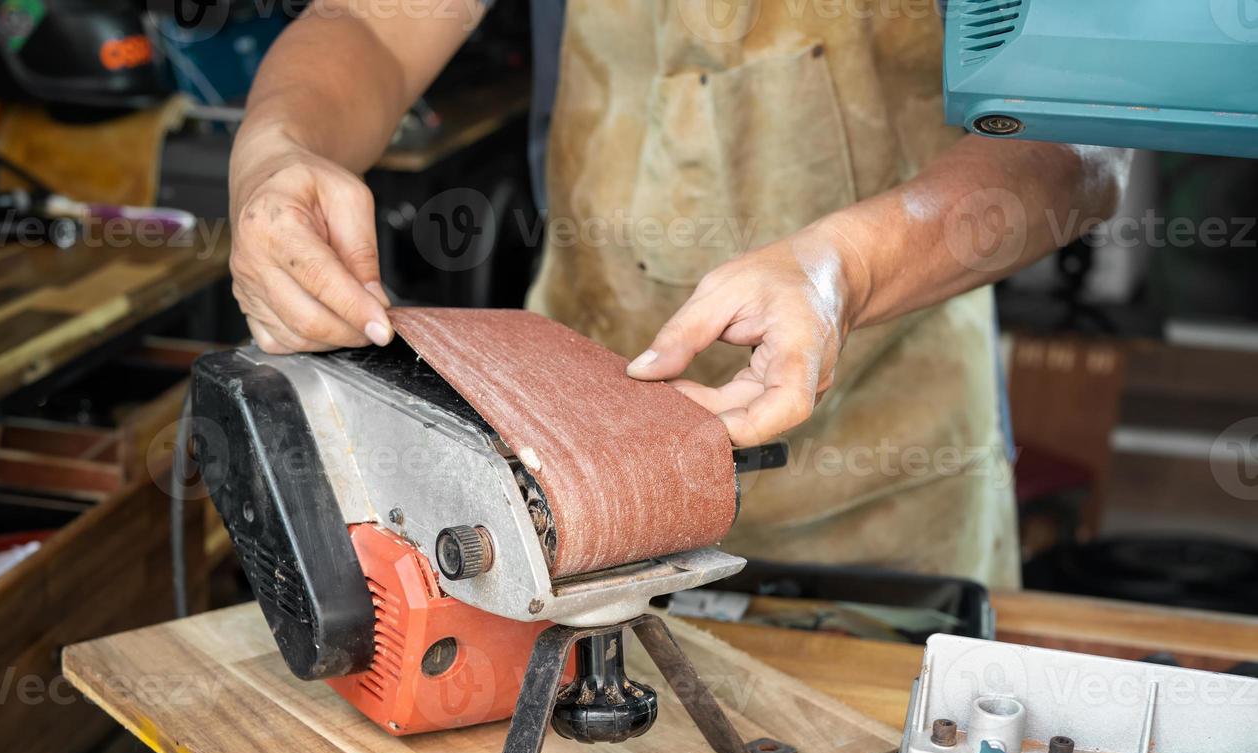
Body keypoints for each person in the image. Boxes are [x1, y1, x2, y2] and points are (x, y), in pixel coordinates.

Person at [227, 0, 1130, 588]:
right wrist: (273, 152)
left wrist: (843, 271)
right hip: (575, 447)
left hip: (885, 456)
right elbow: (374, 23)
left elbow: (1081, 139)